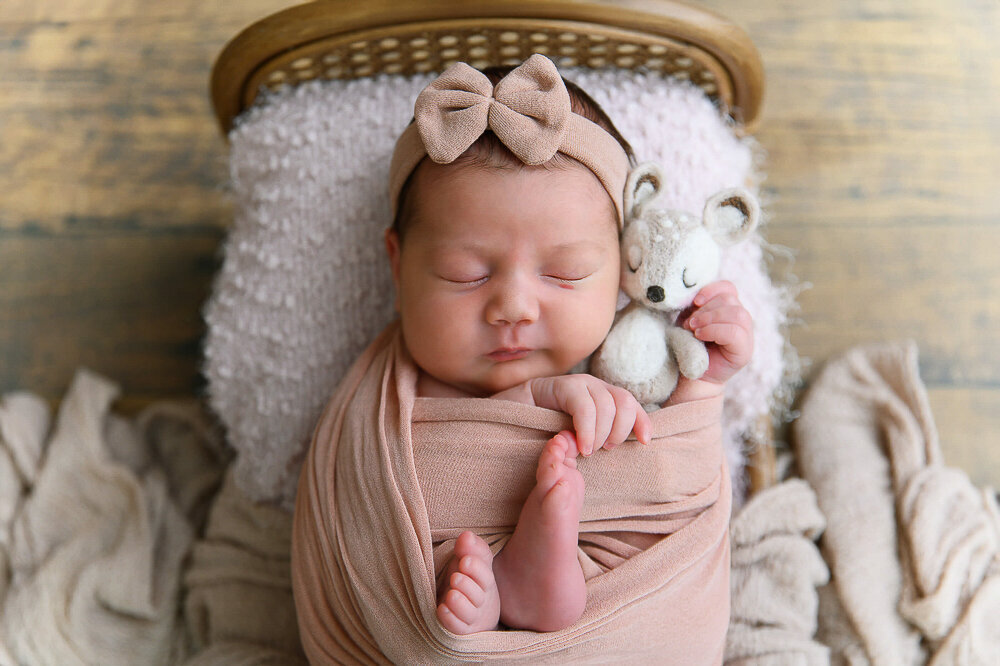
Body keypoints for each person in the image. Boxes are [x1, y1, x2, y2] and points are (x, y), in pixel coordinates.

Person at [381, 54, 754, 635]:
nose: (515, 308)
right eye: (464, 274)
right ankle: (505, 590)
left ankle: (534, 581)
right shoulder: (384, 401)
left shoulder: (624, 366)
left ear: (621, 270)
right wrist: (540, 395)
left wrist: (704, 381)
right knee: (443, 571)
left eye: (565, 273)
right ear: (398, 264)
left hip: (613, 618)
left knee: (631, 459)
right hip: (417, 601)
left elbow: (672, 486)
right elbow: (359, 518)